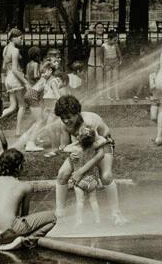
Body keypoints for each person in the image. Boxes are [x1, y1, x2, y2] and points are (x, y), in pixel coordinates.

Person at [54, 95, 126, 225]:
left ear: (77, 113)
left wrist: (80, 171)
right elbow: (65, 147)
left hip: (103, 143)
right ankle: (59, 213)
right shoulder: (63, 124)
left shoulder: (89, 123)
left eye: (69, 117)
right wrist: (69, 154)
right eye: (62, 118)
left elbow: (98, 154)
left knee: (106, 176)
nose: (65, 121)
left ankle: (116, 214)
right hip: (81, 147)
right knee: (62, 174)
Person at [0, 148, 57, 251]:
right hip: (7, 234)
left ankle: (10, 239)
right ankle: (28, 240)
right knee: (52, 217)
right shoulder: (24, 186)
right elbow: (24, 215)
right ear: (19, 167)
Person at [63, 126, 107, 226]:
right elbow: (103, 140)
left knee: (80, 202)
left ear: (79, 138)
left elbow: (65, 148)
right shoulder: (94, 146)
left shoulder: (75, 149)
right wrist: (95, 136)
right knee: (93, 200)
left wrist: (77, 142)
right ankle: (97, 220)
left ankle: (79, 221)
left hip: (79, 181)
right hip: (92, 179)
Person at [0, 28, 29, 136]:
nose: (21, 40)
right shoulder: (15, 51)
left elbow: (4, 66)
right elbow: (15, 70)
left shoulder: (6, 49)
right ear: (14, 38)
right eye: (20, 38)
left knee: (12, 106)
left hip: (8, 78)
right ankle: (18, 130)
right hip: (15, 78)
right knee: (22, 106)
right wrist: (25, 82)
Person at [102, 31, 122, 101]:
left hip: (115, 62)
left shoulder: (115, 45)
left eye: (116, 40)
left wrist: (120, 60)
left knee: (115, 79)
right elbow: (102, 55)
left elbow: (119, 53)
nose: (115, 41)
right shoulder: (104, 45)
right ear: (109, 39)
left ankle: (116, 95)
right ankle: (108, 95)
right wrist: (103, 64)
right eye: (114, 40)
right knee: (108, 80)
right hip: (107, 63)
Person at [86, 22, 105, 90]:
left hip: (100, 63)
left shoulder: (105, 39)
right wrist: (86, 35)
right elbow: (86, 44)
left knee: (99, 81)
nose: (100, 29)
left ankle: (100, 97)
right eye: (98, 27)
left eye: (101, 27)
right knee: (90, 81)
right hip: (91, 62)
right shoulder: (92, 38)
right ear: (95, 29)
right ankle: (89, 95)